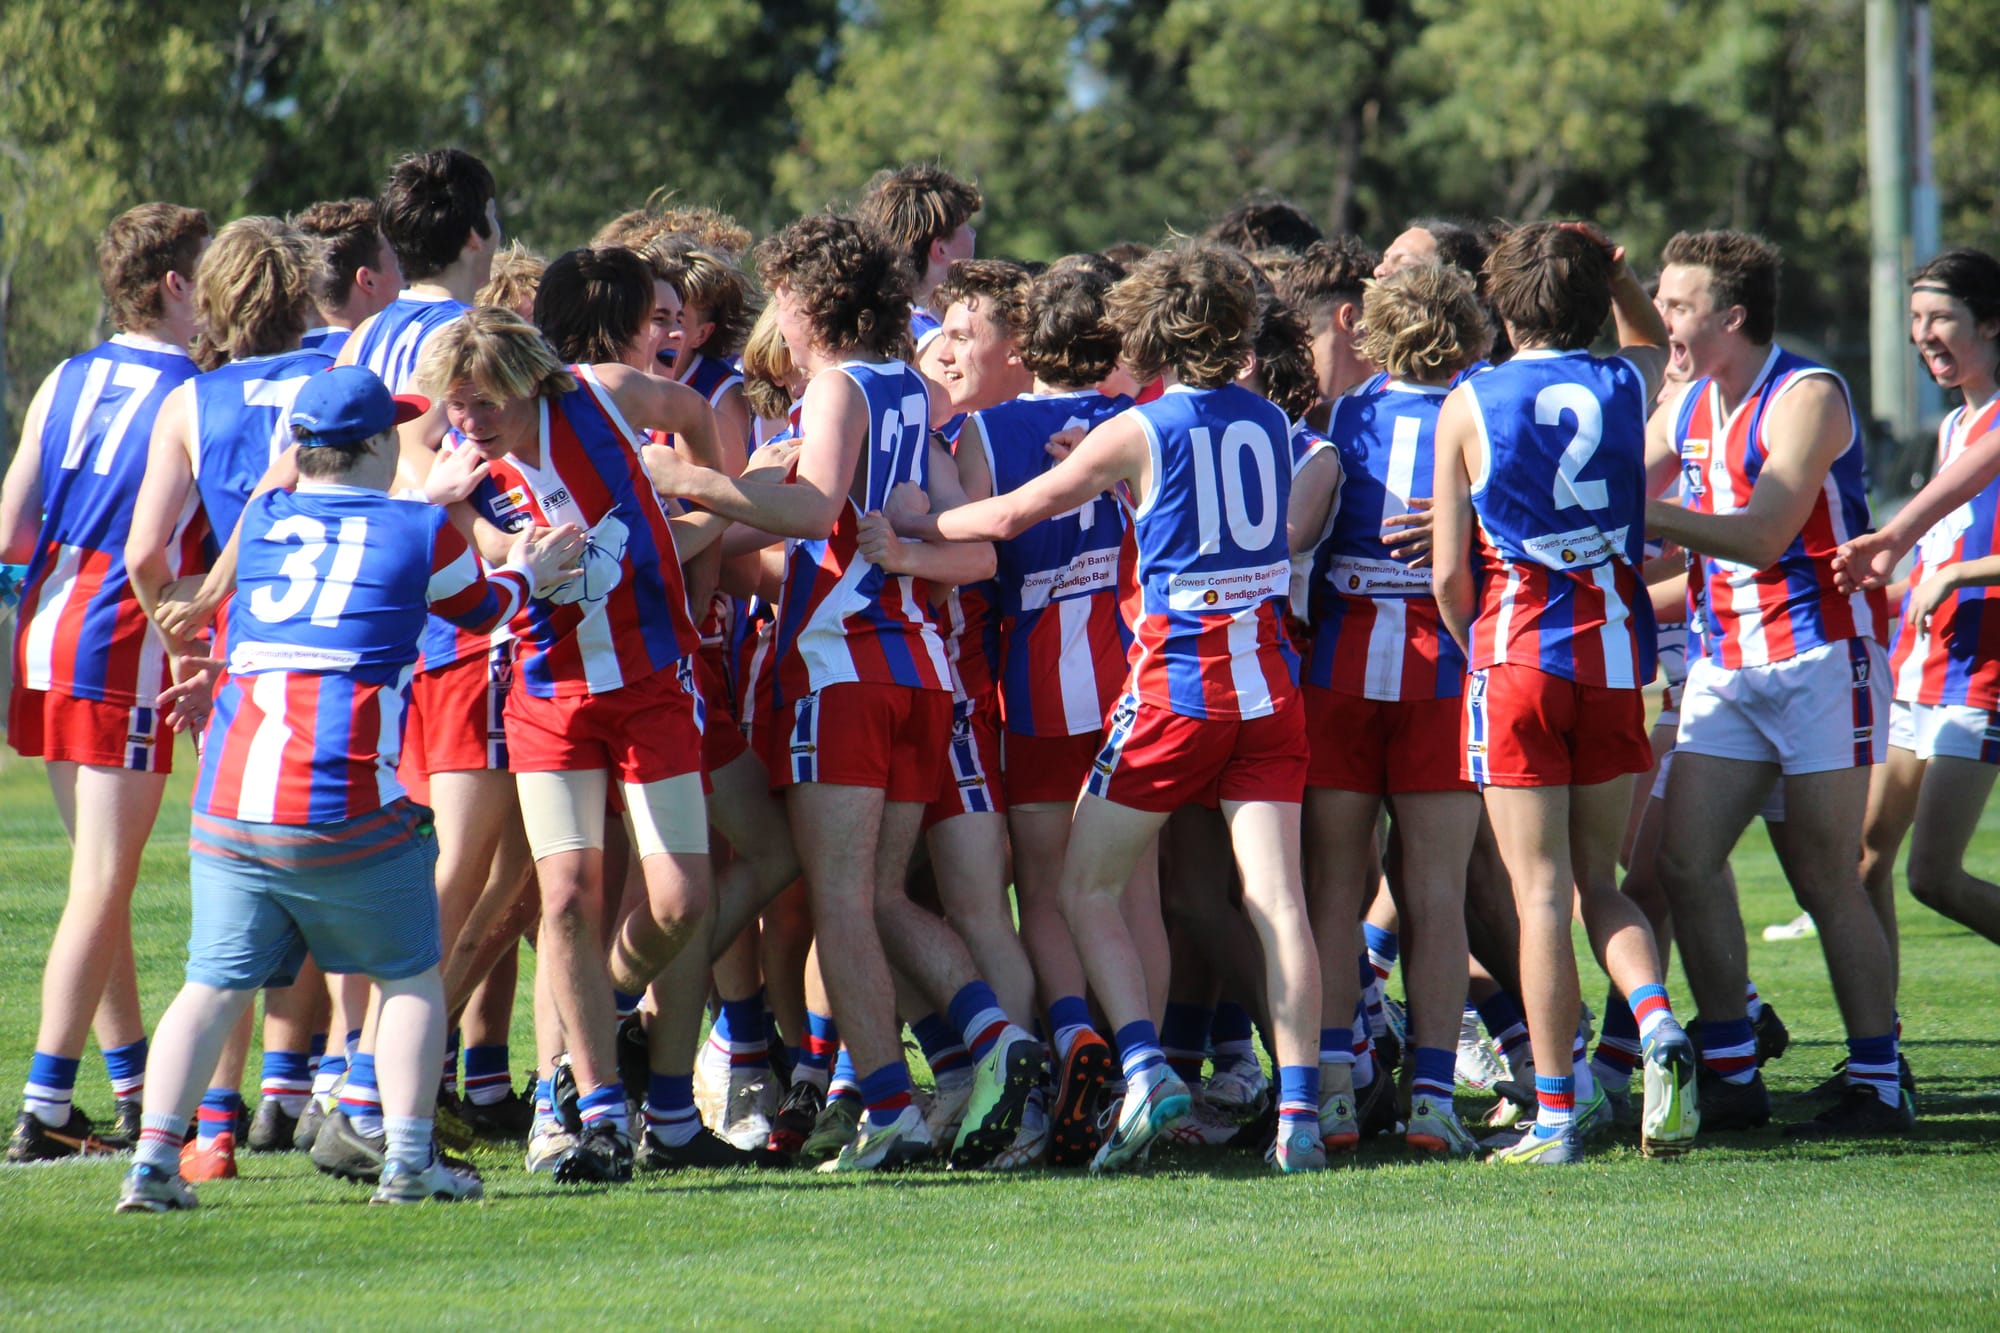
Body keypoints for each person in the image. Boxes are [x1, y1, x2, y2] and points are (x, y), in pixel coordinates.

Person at [879, 243, 1327, 1174]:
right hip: (1269, 690)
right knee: (1276, 900)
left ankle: (1145, 1069)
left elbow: (1010, 518)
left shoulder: (1141, 427)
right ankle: (1302, 1114)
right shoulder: (1265, 416)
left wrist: (916, 523)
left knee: (1080, 889)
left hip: (1176, 686)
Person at [113, 366, 578, 1212]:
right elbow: (484, 608)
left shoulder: (262, 520)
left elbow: (285, 621)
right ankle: (405, 1160)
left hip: (233, 794)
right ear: (372, 446)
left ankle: (150, 1165)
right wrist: (532, 569)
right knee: (408, 976)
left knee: (210, 984)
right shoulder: (417, 528)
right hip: (344, 793)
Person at [642, 213, 1044, 1173]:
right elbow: (948, 530)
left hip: (842, 669)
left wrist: (692, 480)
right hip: (920, 672)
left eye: (781, 294)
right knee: (880, 895)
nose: (775, 313)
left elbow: (814, 506)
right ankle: (996, 1037)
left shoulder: (834, 386)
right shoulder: (909, 386)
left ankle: (892, 1108)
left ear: (809, 300)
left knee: (842, 902)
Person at [414, 301, 725, 1182]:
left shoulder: (604, 393)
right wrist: (491, 528)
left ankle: (599, 1015)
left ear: (525, 382)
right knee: (566, 899)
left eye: (482, 401)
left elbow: (696, 415)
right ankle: (593, 1108)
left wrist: (705, 507)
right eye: (455, 403)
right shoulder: (460, 464)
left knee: (681, 901)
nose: (467, 419)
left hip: (651, 680)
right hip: (549, 693)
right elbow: (486, 549)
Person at [1431, 221, 1697, 1164]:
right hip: (1617, 661)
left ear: (1501, 306)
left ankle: (1554, 1114)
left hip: (1518, 660)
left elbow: (1448, 575)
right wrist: (1619, 277)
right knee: (1599, 883)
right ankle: (1657, 1022)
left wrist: (1476, 649)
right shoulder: (1624, 383)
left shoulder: (1470, 399)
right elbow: (1654, 343)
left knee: (1538, 893)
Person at [1643, 228, 1905, 1139]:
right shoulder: (1686, 401)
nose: (1664, 322)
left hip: (1820, 660)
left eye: (1678, 306)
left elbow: (1762, 536)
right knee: (1683, 861)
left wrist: (1633, 509)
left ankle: (1880, 1080)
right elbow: (1603, 478)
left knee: (1827, 876)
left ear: (1732, 316)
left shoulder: (1807, 394)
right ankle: (1731, 1069)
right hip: (1725, 664)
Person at [2, 202, 211, 1163]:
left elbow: (11, 531)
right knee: (100, 880)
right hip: (120, 637)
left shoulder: (66, 375)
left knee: (103, 876)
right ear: (175, 283)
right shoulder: (194, 391)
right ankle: (45, 1104)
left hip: (45, 635)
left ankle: (128, 1084)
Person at [125, 214, 333, 1175]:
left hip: (243, 665)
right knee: (361, 879)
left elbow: (145, 553)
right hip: (341, 658)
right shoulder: (341, 375)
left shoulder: (189, 400)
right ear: (303, 290)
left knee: (234, 898)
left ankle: (214, 1125)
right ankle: (338, 1094)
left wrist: (188, 649)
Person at [1290, 261, 1491, 1158]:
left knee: (1334, 887)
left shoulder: (1338, 420)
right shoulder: (1480, 418)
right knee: (1435, 893)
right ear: (1468, 334)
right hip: (1444, 672)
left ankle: (1334, 1092)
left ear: (1374, 332)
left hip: (1339, 672)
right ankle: (1432, 1100)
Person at [1859, 250, 2000, 1001]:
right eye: (1915, 319)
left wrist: (1956, 576)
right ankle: (1879, 1047)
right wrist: (1875, 594)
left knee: (1933, 877)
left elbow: (1958, 567)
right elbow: (1934, 564)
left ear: (1992, 322)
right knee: (1862, 861)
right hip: (1917, 671)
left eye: (1941, 317)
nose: (1923, 334)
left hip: (1979, 675)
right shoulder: (1953, 427)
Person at [857, 164, 981, 353]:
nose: (973, 234)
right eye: (966, 226)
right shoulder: (940, 351)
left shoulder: (874, 333)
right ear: (940, 249)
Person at [292, 199, 403, 358]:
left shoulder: (281, 357)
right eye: (397, 265)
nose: (405, 282)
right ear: (367, 281)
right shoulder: (378, 360)